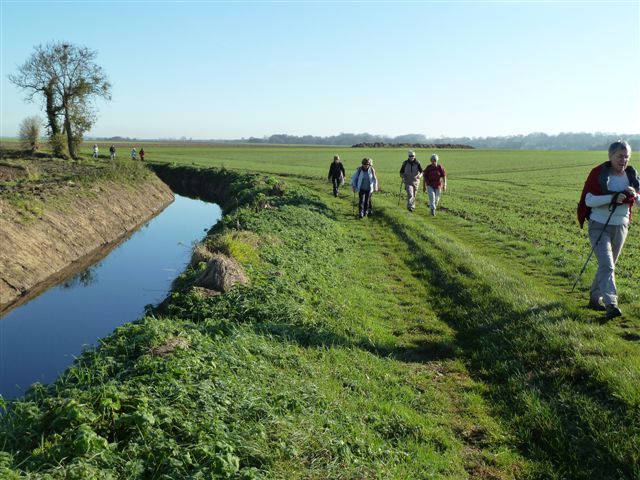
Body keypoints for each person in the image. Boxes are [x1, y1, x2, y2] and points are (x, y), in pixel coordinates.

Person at [577, 140, 639, 319]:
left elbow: (638, 200)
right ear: (610, 156)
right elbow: (589, 200)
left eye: (626, 156)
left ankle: (594, 299)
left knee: (607, 266)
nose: (623, 160)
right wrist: (612, 197)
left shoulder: (632, 175)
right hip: (598, 225)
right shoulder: (598, 174)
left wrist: (635, 195)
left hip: (621, 226)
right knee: (607, 265)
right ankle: (611, 303)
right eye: (620, 156)